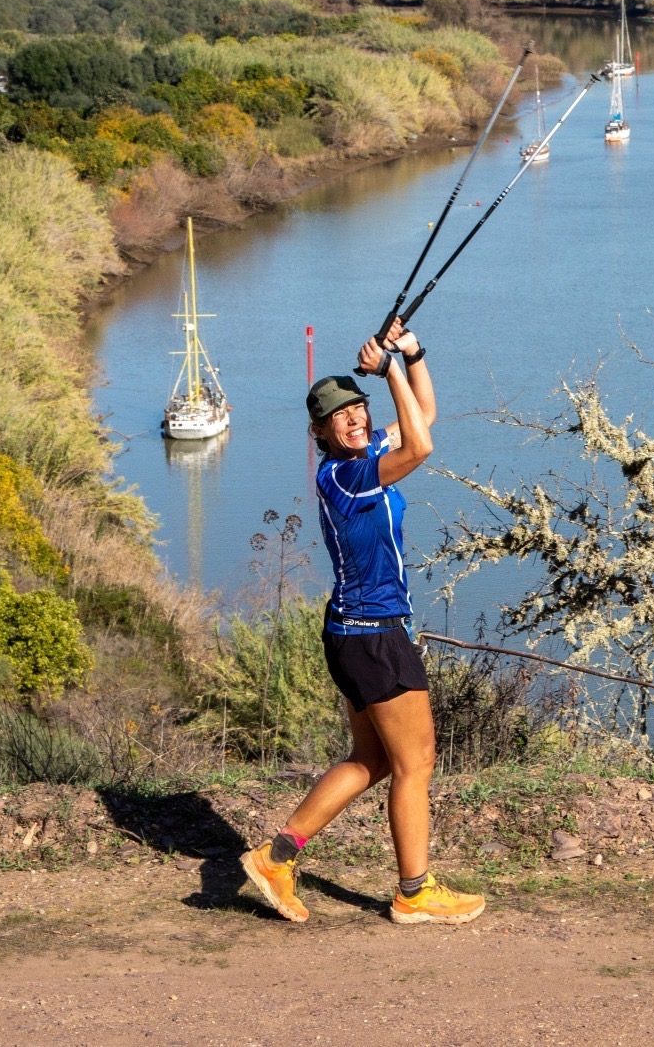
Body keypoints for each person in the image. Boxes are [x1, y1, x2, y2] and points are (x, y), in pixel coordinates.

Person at [239, 321, 484, 926]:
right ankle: (414, 891)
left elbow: (423, 416)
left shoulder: (370, 451)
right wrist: (387, 372)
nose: (352, 420)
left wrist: (411, 354)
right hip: (373, 634)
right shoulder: (345, 475)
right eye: (338, 417)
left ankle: (276, 857)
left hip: (353, 632)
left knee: (372, 760)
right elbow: (420, 449)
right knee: (416, 763)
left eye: (357, 409)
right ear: (320, 432)